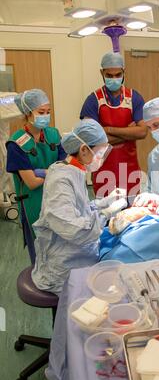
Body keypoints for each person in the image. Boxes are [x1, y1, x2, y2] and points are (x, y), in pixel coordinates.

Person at [32, 119, 111, 295]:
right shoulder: (61, 179)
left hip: (76, 257)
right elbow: (72, 228)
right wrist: (105, 215)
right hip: (62, 271)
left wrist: (107, 202)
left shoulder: (73, 170)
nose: (102, 158)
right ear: (83, 149)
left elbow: (79, 209)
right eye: (100, 152)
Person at [6, 89, 66, 263]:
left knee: (60, 247)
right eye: (41, 112)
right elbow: (31, 183)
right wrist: (52, 170)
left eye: (48, 112)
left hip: (56, 198)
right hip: (33, 202)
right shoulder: (16, 144)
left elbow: (65, 167)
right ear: (27, 113)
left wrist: (41, 172)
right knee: (40, 251)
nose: (45, 117)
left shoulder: (53, 135)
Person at [80, 52, 147, 199]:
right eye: (109, 75)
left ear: (124, 72)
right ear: (101, 73)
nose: (114, 79)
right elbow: (91, 140)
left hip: (129, 169)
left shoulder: (134, 98)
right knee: (105, 214)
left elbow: (142, 132)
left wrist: (107, 130)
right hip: (103, 169)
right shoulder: (93, 100)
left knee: (131, 214)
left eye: (118, 75)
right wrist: (129, 132)